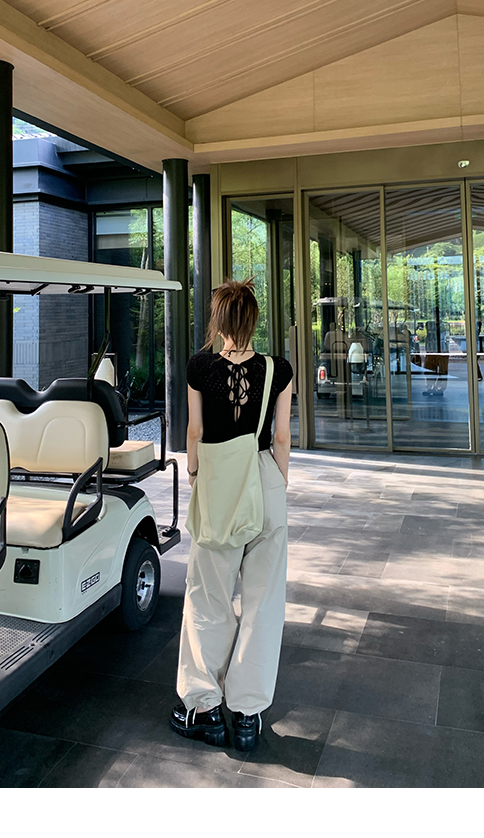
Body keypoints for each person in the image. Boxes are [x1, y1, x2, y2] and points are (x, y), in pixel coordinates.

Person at [169, 278, 293, 751]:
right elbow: (281, 437)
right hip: (265, 481)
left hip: (219, 482)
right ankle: (246, 715)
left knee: (208, 596)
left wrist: (196, 477)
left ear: (218, 321)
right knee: (264, 602)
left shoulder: (199, 366)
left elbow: (195, 431)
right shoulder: (278, 369)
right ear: (254, 320)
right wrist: (277, 482)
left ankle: (203, 709)